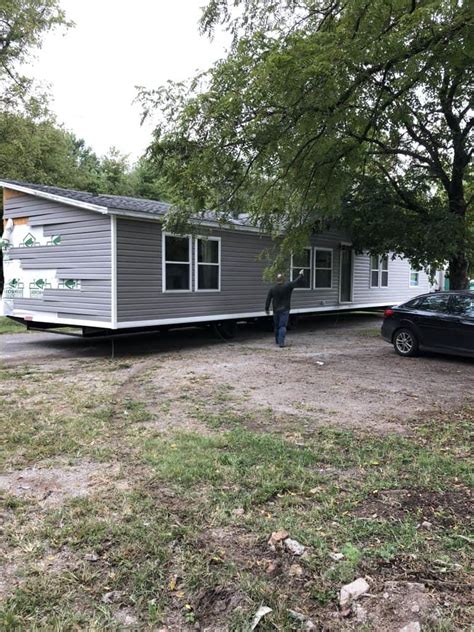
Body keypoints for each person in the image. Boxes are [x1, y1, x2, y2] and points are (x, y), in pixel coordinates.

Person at [265, 270, 304, 347]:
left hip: (276, 310)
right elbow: (296, 281)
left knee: (276, 326)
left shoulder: (272, 288)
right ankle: (281, 343)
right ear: (283, 279)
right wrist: (301, 275)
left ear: (277, 280)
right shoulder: (288, 286)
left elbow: (268, 299)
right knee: (282, 326)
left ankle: (277, 340)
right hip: (285, 309)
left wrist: (266, 309)